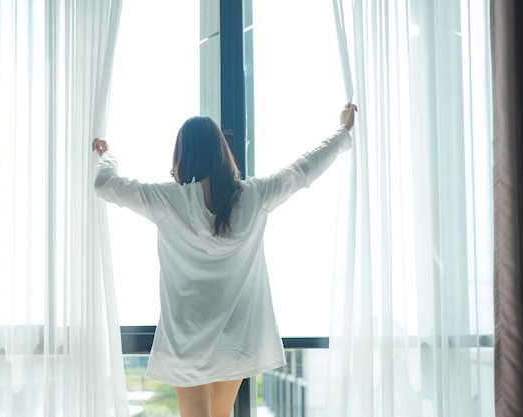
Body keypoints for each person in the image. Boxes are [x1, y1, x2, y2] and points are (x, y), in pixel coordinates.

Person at [92, 103, 358, 417]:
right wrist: (343, 133)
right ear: (222, 154)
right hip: (235, 339)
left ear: (182, 156)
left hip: (187, 339)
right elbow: (302, 170)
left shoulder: (168, 200)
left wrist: (108, 156)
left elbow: (105, 185)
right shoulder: (254, 196)